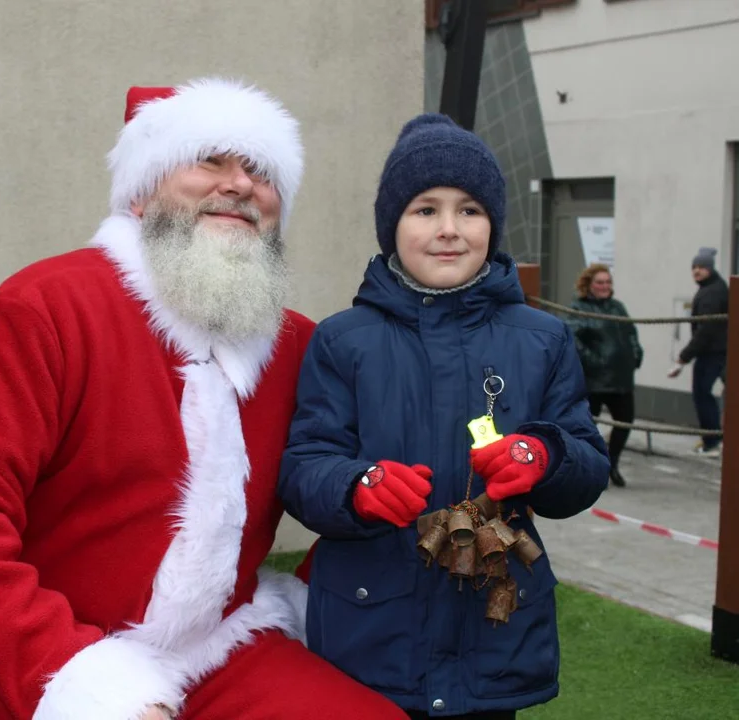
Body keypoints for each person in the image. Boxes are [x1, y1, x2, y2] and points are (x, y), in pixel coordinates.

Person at [0, 79, 407, 720]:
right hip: (17, 664)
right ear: (143, 191)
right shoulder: (44, 309)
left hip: (213, 648)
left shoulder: (299, 344)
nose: (239, 184)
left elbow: (365, 477)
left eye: (260, 171)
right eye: (209, 160)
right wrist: (83, 683)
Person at [278, 113, 610, 719]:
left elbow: (587, 461)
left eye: (470, 210)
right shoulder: (342, 341)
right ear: (392, 225)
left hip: (494, 628)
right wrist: (358, 487)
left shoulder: (543, 339)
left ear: (494, 225)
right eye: (425, 209)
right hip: (370, 629)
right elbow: (304, 466)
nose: (449, 229)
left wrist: (548, 455)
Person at [568, 264, 643, 487]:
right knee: (588, 426)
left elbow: (631, 334)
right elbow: (574, 341)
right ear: (589, 285)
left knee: (625, 422)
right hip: (595, 380)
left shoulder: (618, 307)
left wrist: (636, 355)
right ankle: (591, 468)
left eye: (608, 282)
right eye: (600, 282)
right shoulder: (579, 308)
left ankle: (613, 463)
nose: (605, 286)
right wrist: (594, 361)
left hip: (621, 378)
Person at [668, 247, 728, 457]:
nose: (697, 271)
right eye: (694, 267)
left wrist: (684, 356)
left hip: (712, 352)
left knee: (702, 395)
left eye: (701, 267)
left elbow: (706, 330)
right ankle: (713, 439)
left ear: (710, 269)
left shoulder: (711, 292)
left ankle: (712, 441)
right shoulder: (713, 288)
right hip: (716, 350)